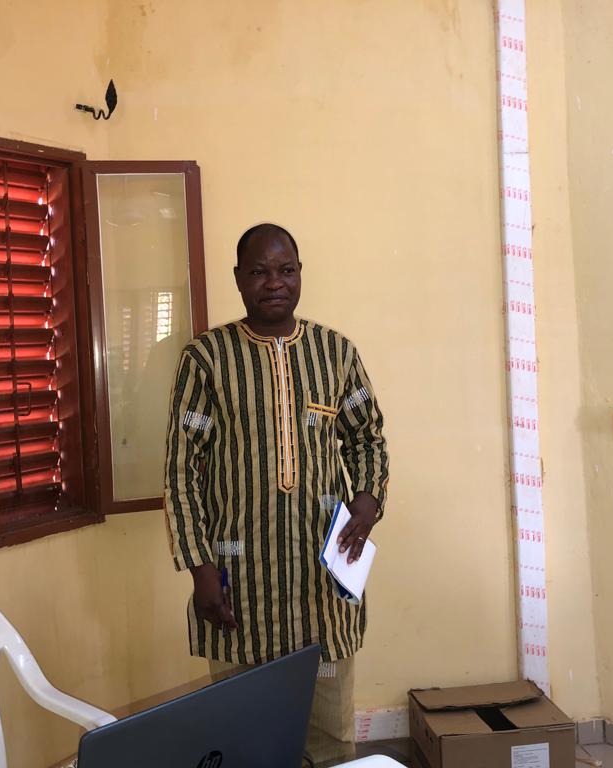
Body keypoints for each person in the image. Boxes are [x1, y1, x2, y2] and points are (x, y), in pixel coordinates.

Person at [163, 223, 389, 764]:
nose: (274, 283)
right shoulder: (206, 359)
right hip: (239, 591)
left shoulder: (336, 353)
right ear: (238, 279)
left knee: (330, 740)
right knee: (243, 741)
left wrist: (367, 501)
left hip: (321, 588)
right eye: (259, 272)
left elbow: (367, 437)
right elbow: (181, 469)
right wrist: (200, 569)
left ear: (300, 274)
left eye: (285, 270)